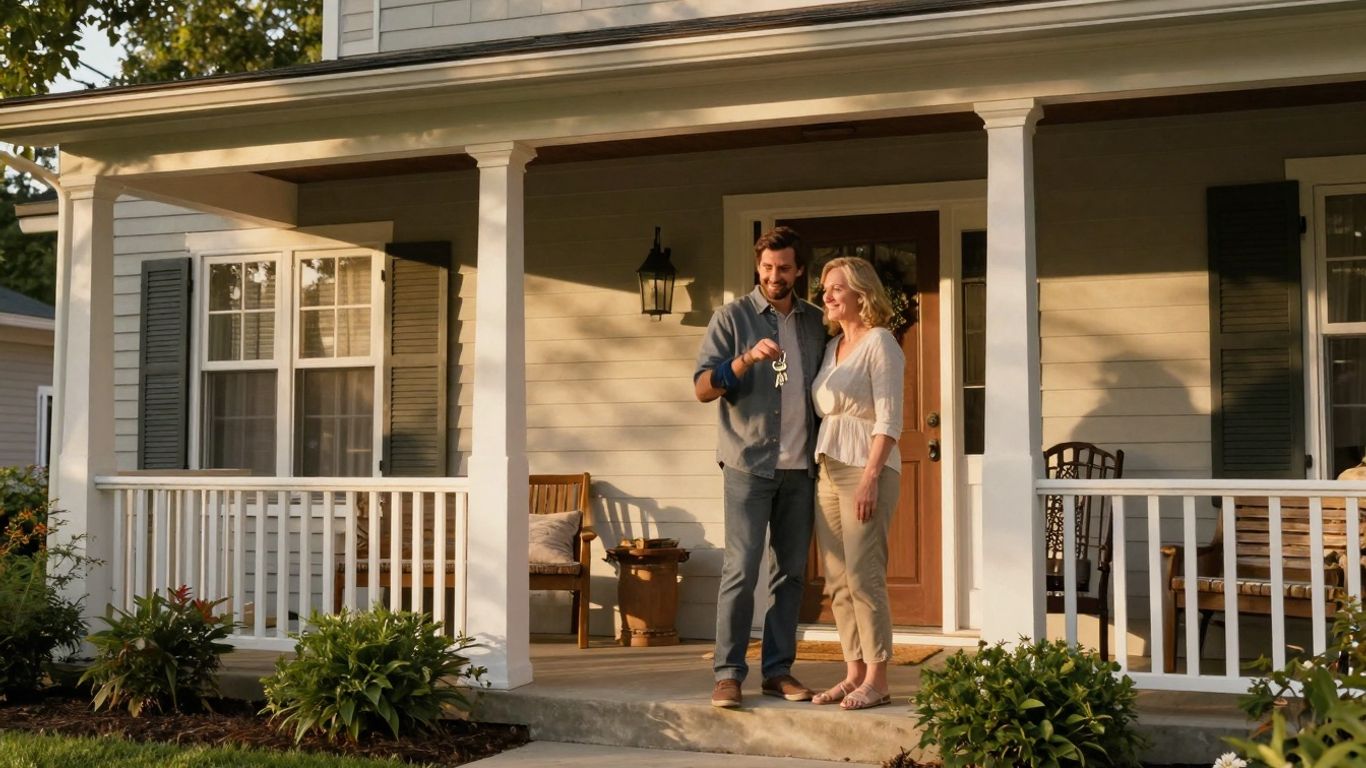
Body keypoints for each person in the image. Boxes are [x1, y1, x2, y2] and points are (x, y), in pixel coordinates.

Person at [694, 226, 828, 709]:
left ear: (799, 270)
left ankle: (778, 671)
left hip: (801, 469)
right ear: (758, 267)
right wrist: (745, 360)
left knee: (790, 574)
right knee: (741, 569)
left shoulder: (815, 322)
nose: (775, 276)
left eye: (785, 268)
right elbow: (703, 388)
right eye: (768, 268)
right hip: (748, 465)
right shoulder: (731, 318)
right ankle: (728, 673)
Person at [806, 256, 905, 711]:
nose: (826, 295)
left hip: (866, 469)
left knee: (865, 575)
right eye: (825, 288)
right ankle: (853, 673)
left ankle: (878, 679)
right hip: (827, 466)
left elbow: (889, 418)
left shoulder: (880, 343)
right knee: (837, 580)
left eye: (836, 288)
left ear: (861, 295)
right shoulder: (832, 349)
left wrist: (869, 478)